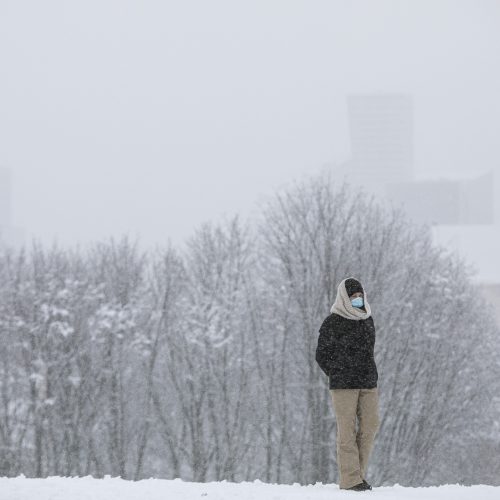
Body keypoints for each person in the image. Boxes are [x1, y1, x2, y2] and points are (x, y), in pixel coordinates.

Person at [315, 277, 380, 492]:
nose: (358, 300)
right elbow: (322, 354)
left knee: (370, 426)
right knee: (347, 431)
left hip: (368, 382)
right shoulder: (333, 322)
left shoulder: (367, 319)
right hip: (344, 385)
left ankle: (358, 475)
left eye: (360, 296)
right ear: (344, 298)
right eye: (353, 297)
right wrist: (338, 371)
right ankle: (351, 480)